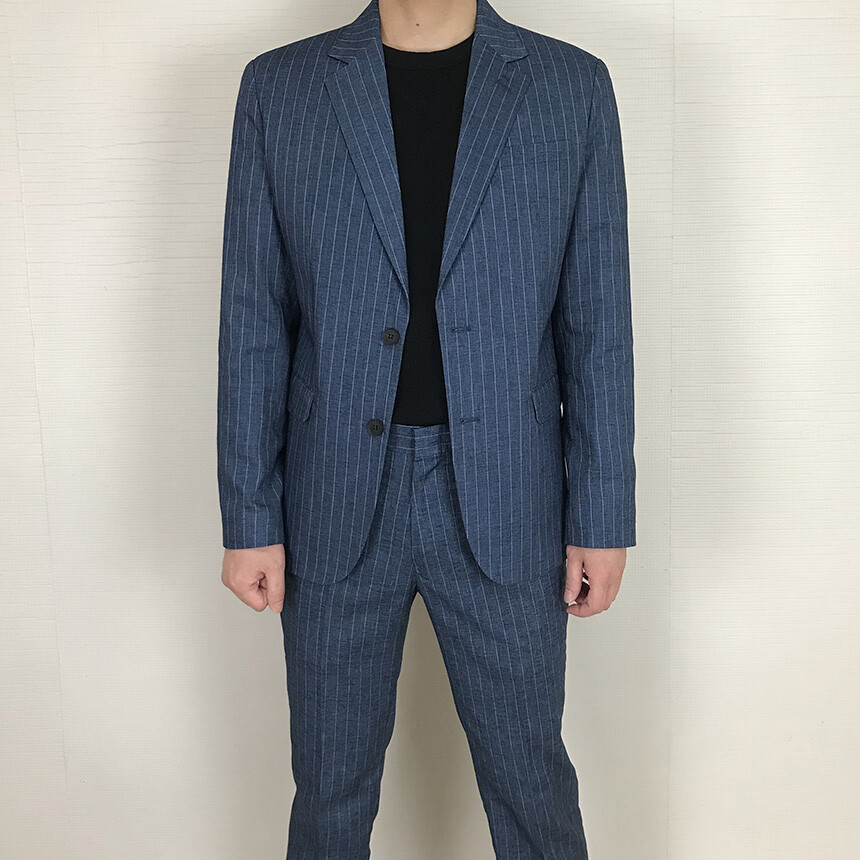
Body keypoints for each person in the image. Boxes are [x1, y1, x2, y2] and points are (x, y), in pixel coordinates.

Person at [217, 0, 635, 855]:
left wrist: (601, 515)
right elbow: (253, 317)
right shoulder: (279, 89)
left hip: (508, 492)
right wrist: (249, 515)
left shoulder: (572, 88)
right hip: (334, 493)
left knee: (531, 786)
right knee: (329, 793)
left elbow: (598, 323)